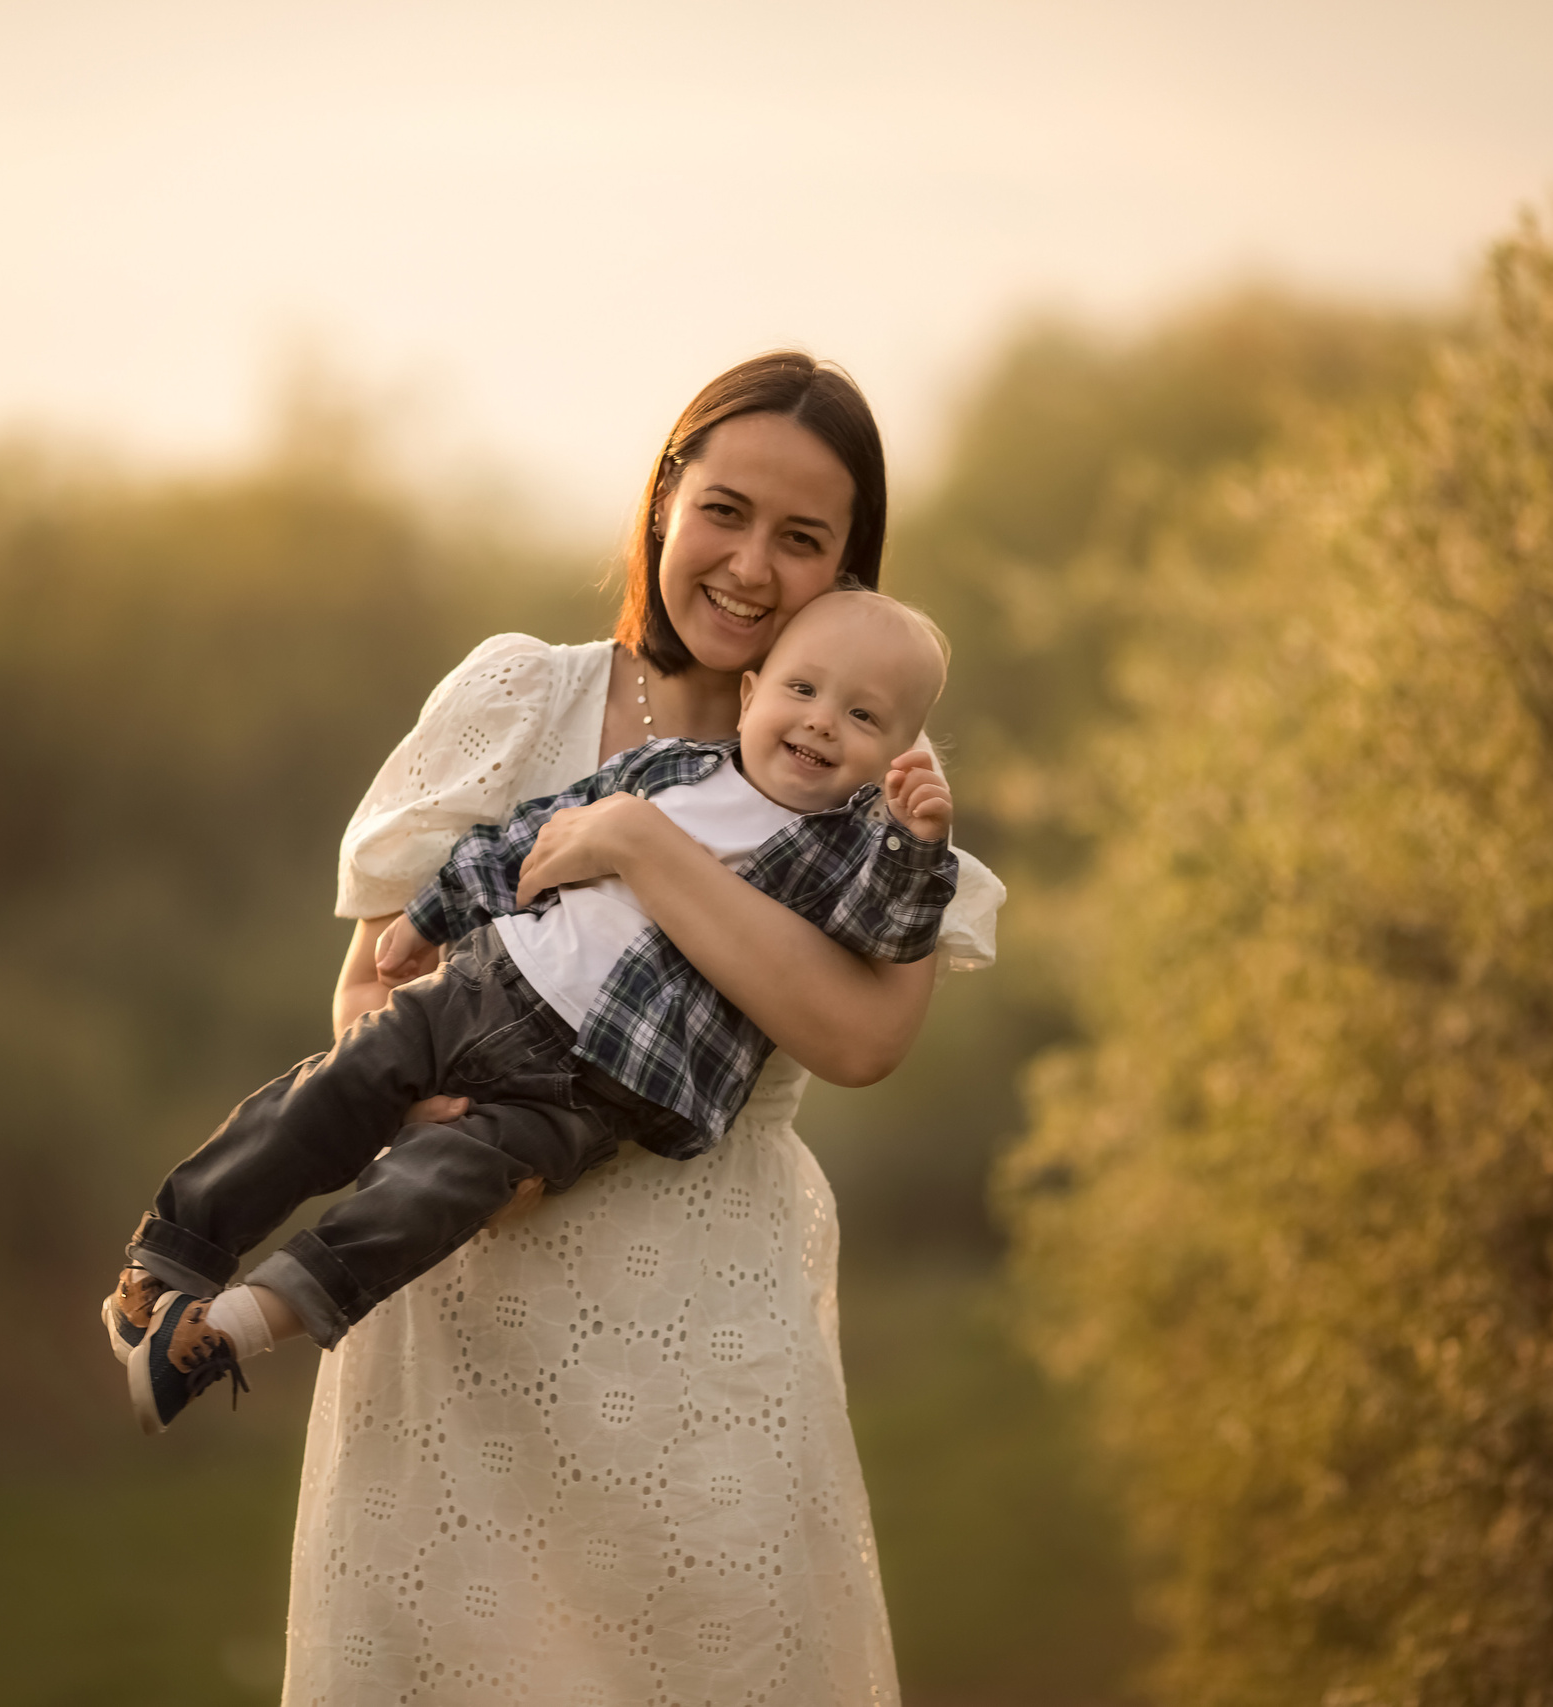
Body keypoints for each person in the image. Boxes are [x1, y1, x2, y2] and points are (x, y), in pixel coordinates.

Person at [287, 352, 1000, 1705]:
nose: (749, 565)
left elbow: (860, 1038)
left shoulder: (865, 795)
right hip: (463, 1316)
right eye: (724, 510)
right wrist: (460, 1145)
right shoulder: (520, 699)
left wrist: (636, 842)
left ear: (848, 570)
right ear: (665, 499)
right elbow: (372, 983)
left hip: (706, 1347)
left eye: (802, 538)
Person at [105, 591, 959, 1433]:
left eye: (862, 716)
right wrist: (428, 915)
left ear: (894, 756)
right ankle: (167, 1262)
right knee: (327, 1090)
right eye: (802, 690)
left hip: (593, 1088)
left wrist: (915, 845)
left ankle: (231, 1329)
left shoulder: (848, 857)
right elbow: (529, 837)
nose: (821, 722)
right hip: (486, 987)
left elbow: (883, 931)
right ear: (751, 694)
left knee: (429, 1193)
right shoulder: (671, 768)